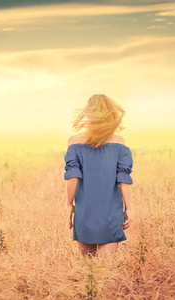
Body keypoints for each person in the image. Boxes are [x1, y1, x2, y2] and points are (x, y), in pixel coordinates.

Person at [64, 94, 133, 256]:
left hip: (85, 212)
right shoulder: (119, 142)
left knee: (87, 269)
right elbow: (124, 179)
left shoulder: (74, 142)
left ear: (89, 113)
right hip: (111, 212)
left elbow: (73, 178)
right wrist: (129, 207)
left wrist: (68, 205)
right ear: (110, 114)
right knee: (107, 271)